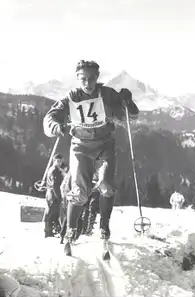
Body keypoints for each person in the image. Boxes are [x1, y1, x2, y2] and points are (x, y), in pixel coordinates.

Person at [44, 60, 139, 256]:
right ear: (78, 79)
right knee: (79, 191)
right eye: (83, 79)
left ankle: (104, 229)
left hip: (105, 145)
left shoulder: (107, 95)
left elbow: (130, 117)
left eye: (91, 79)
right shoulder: (70, 98)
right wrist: (56, 127)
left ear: (97, 78)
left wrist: (128, 102)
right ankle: (70, 231)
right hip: (80, 148)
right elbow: (49, 119)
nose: (87, 83)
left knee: (105, 185)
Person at [43, 154, 65, 238]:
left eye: (61, 161)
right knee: (51, 212)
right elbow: (55, 185)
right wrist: (59, 196)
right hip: (53, 194)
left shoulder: (52, 169)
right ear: (54, 160)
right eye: (58, 161)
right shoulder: (55, 170)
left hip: (50, 193)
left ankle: (49, 231)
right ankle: (48, 231)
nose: (60, 163)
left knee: (51, 212)